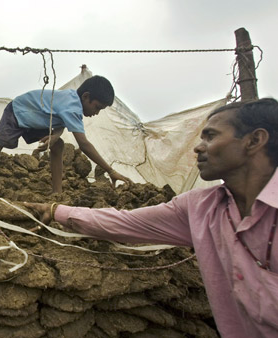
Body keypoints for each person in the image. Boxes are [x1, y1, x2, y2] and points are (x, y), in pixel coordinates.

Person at [25, 98, 278, 337]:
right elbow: (125, 222)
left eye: (211, 136)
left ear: (254, 140)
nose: (198, 147)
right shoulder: (200, 207)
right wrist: (56, 210)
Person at [0, 75, 132, 203]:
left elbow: (59, 117)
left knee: (58, 145)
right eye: (97, 107)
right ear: (86, 97)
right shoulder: (72, 106)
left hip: (34, 119)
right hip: (17, 112)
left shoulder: (71, 101)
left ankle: (56, 194)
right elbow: (84, 144)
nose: (96, 113)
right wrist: (109, 170)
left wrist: (55, 135)